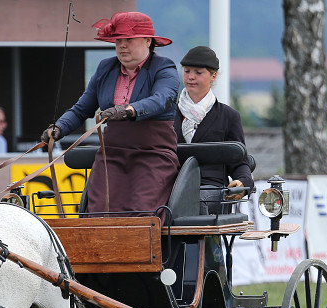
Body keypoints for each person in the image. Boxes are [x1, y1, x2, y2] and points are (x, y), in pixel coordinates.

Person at [41, 12, 179, 217]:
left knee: (141, 213)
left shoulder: (164, 67)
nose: (122, 45)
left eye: (129, 40)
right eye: (118, 40)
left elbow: (163, 98)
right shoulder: (106, 67)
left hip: (153, 154)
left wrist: (129, 110)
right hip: (111, 155)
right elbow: (82, 109)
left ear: (148, 41)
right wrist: (59, 128)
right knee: (97, 212)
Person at [173, 46, 254, 213]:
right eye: (187, 71)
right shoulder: (167, 114)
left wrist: (242, 182)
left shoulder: (228, 116)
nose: (191, 77)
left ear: (213, 76)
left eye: (198, 72)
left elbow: (239, 160)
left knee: (193, 205)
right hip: (171, 186)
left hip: (211, 189)